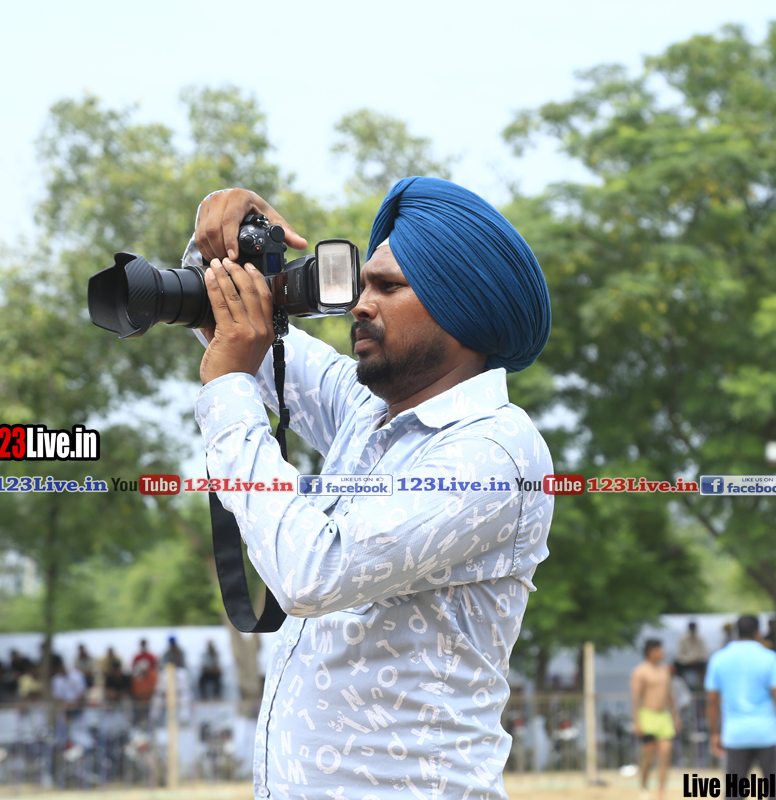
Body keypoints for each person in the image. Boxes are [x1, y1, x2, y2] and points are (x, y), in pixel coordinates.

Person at [186, 177, 554, 798]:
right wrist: (225, 240)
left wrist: (228, 393)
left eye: (387, 286)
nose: (359, 305)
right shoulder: (366, 413)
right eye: (361, 286)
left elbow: (311, 575)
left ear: (460, 308)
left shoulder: (493, 452)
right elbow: (237, 331)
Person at [706, 615, 776, 782]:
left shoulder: (718, 659)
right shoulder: (770, 658)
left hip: (734, 734)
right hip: (766, 732)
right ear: (758, 633)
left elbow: (712, 701)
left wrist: (715, 733)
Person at [631, 639, 681, 799]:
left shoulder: (665, 670)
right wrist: (636, 721)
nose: (663, 653)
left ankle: (661, 791)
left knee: (665, 752)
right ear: (651, 652)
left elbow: (670, 695)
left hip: (664, 716)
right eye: (660, 650)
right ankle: (644, 786)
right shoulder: (640, 672)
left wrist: (675, 716)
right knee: (648, 754)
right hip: (647, 715)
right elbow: (636, 698)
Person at [675, 622, 710, 690]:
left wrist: (696, 659)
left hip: (698, 661)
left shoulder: (700, 639)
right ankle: (683, 684)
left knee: (705, 665)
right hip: (686, 662)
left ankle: (701, 684)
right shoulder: (683, 639)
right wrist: (689, 660)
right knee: (676, 664)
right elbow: (680, 654)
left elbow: (704, 653)